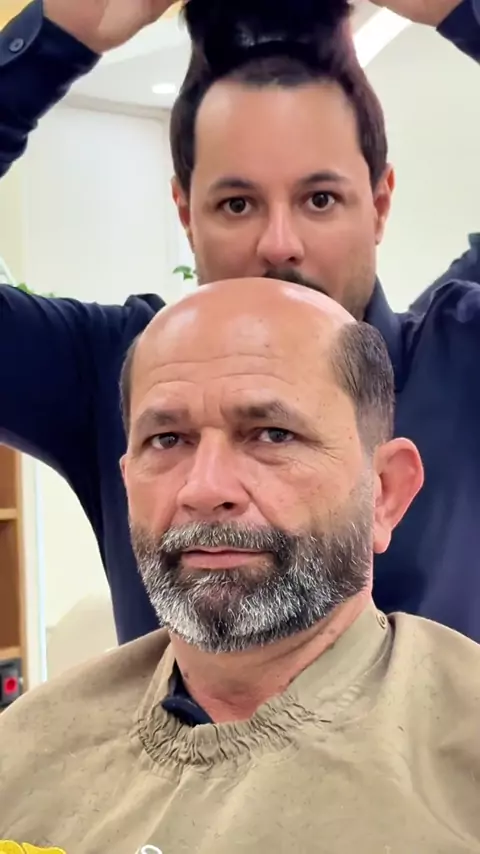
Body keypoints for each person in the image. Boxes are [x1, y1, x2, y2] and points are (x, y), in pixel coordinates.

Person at [1, 0, 480, 646]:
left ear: (379, 203)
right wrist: (56, 38)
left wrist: (462, 10)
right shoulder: (111, 371)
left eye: (320, 199)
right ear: (186, 213)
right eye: (236, 204)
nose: (279, 244)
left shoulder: (464, 354)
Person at [1, 277, 480, 852]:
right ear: (128, 484)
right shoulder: (23, 755)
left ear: (383, 492)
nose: (205, 489)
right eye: (167, 439)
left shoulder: (462, 758)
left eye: (272, 435)